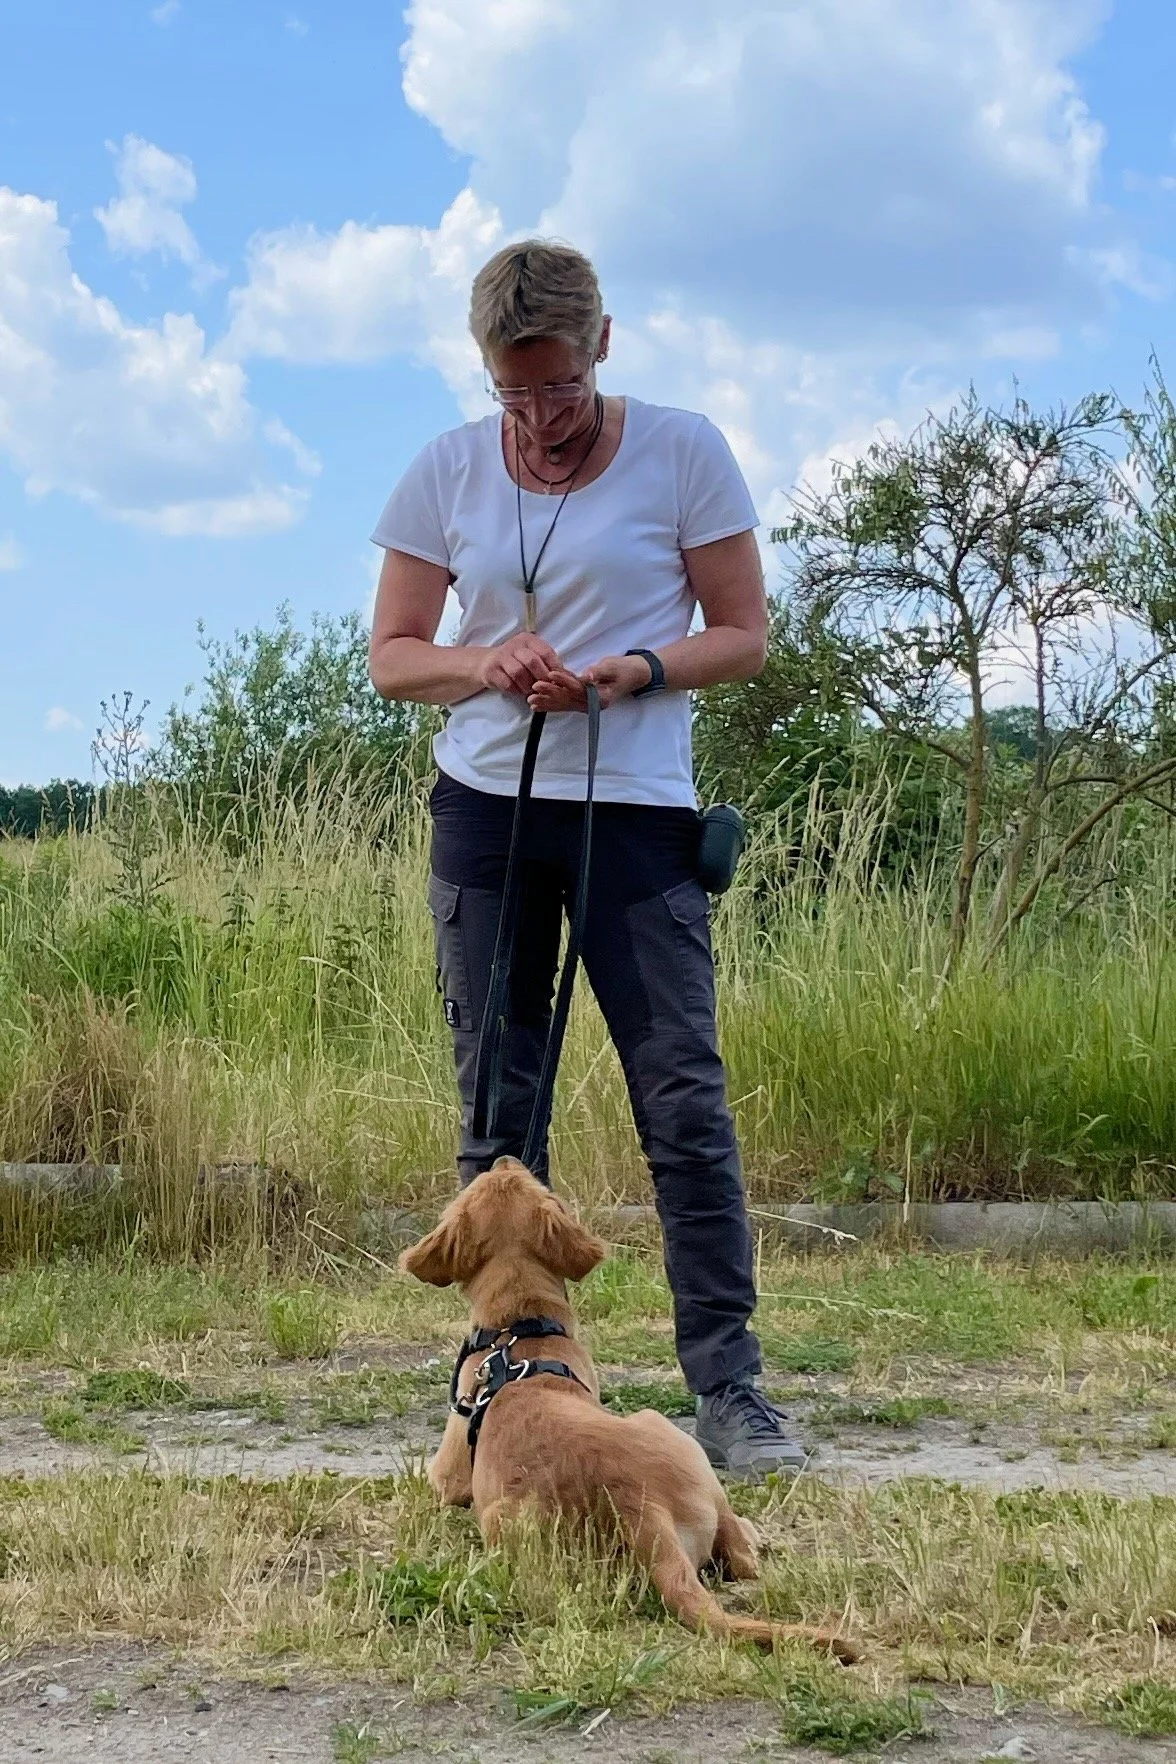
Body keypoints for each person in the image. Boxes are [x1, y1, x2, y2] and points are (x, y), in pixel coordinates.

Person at [368, 239, 805, 1480]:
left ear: (602, 346)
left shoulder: (683, 450)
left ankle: (733, 1390)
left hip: (638, 815)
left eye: (559, 388)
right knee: (498, 1118)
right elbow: (396, 655)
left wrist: (638, 669)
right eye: (516, 395)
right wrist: (484, 662)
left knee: (684, 1106)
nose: (542, 420)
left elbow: (743, 633)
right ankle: (501, 1395)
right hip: (489, 815)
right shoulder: (445, 469)